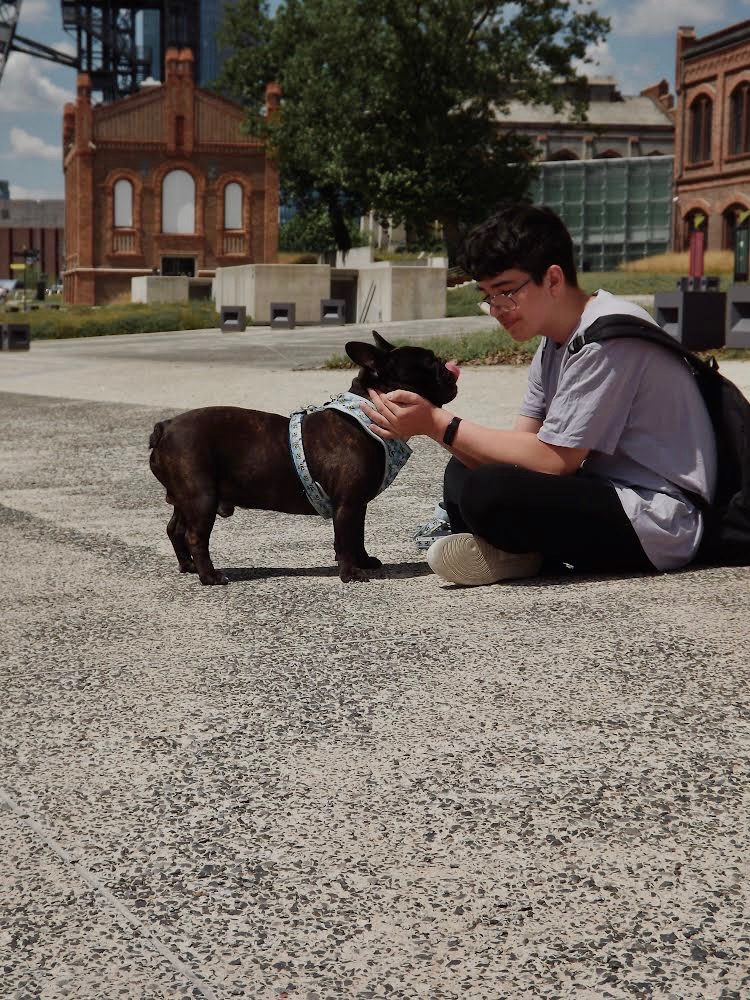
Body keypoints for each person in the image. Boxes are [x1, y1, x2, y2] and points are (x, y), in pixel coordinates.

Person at [361, 204, 718, 586]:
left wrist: (436, 423)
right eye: (488, 296)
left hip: (658, 518)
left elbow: (554, 462)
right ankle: (518, 554)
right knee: (464, 470)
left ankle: (517, 551)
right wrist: (437, 429)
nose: (497, 310)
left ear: (553, 279)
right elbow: (522, 447)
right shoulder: (553, 343)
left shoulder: (606, 339)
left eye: (506, 293)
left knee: (487, 489)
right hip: (602, 489)